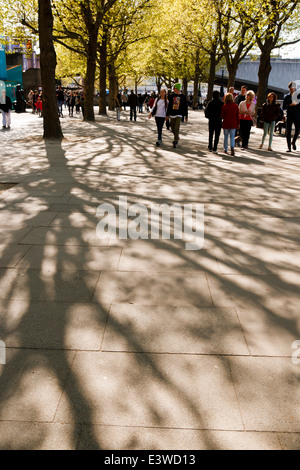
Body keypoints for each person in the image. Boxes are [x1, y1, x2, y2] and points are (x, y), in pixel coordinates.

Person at [166, 83, 188, 148]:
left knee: (176, 128)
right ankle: (177, 136)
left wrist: (186, 116)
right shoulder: (172, 96)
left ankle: (175, 141)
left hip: (179, 114)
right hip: (172, 114)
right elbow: (169, 105)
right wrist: (167, 114)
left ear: (177, 88)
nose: (173, 89)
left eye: (174, 88)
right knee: (172, 128)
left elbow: (185, 106)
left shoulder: (183, 97)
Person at [283, 81, 300, 152]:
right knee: (288, 131)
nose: (291, 89)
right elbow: (284, 107)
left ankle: (293, 142)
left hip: (298, 116)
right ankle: (289, 147)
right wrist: (290, 105)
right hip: (289, 115)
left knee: (297, 131)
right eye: (290, 88)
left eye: (292, 87)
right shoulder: (287, 97)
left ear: (295, 88)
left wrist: (296, 104)